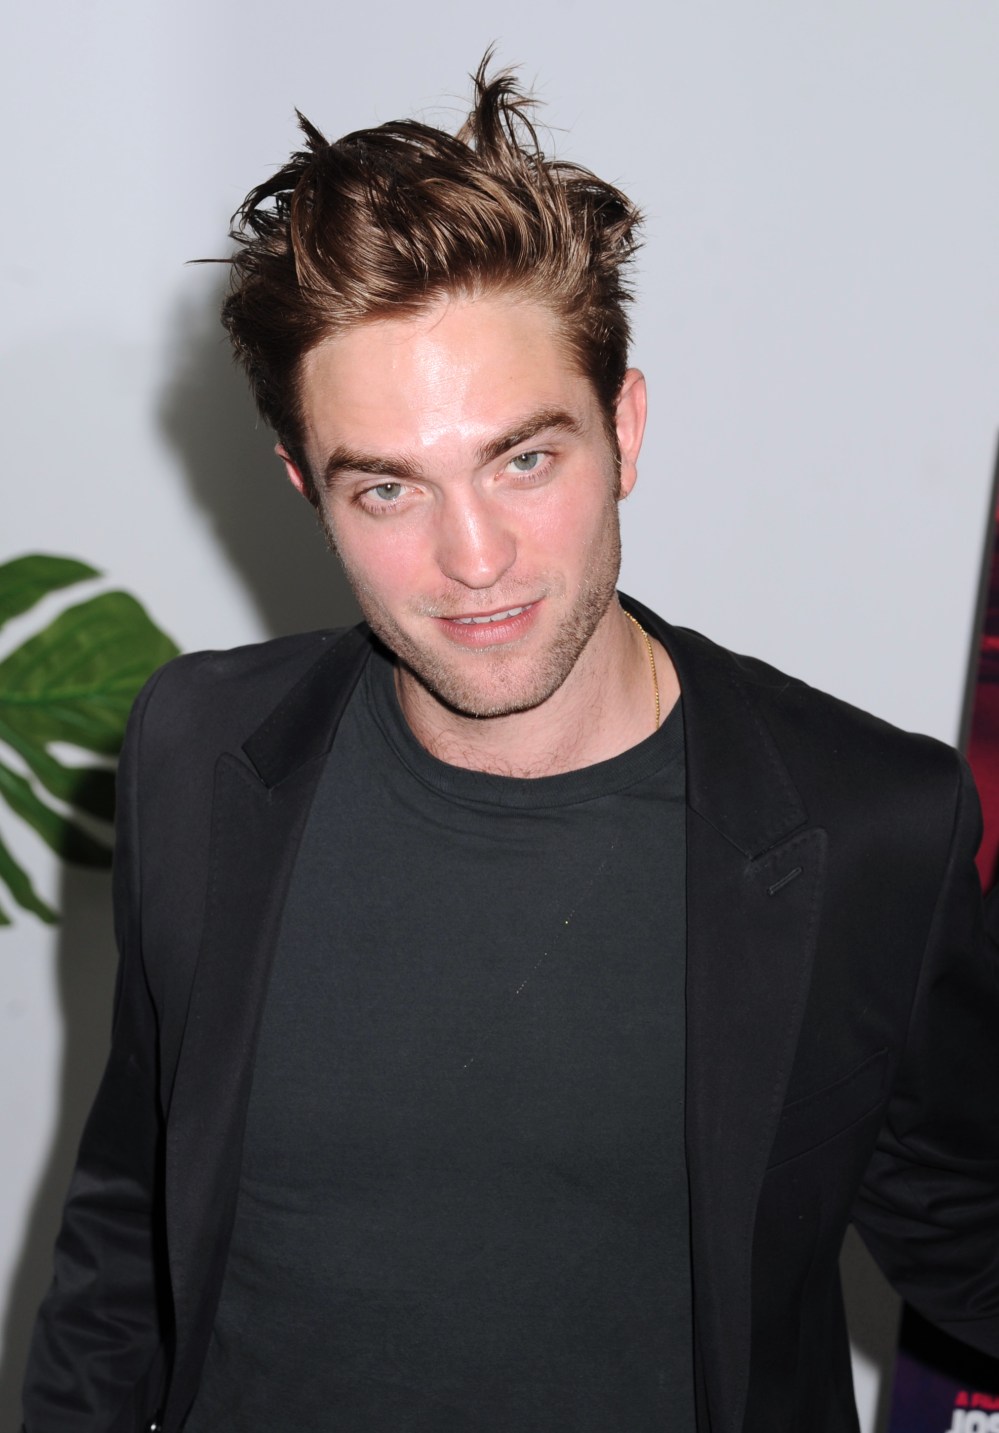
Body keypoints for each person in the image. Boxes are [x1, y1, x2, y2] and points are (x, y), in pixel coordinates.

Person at [22, 58, 999, 1433]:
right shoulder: (198, 751)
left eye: (524, 459)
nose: (472, 558)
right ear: (307, 487)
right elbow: (126, 1235)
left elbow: (969, 1227)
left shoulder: (866, 824)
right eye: (387, 488)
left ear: (624, 428)